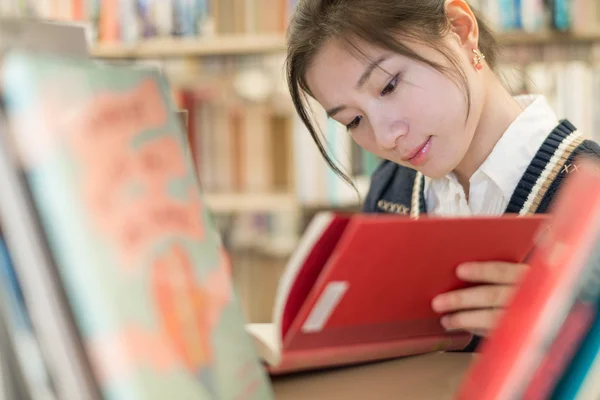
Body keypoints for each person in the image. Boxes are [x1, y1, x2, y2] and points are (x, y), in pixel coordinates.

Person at [285, 0, 600, 346]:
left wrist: (571, 330)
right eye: (353, 121)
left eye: (389, 85)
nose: (386, 137)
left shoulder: (590, 194)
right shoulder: (391, 189)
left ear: (461, 30)